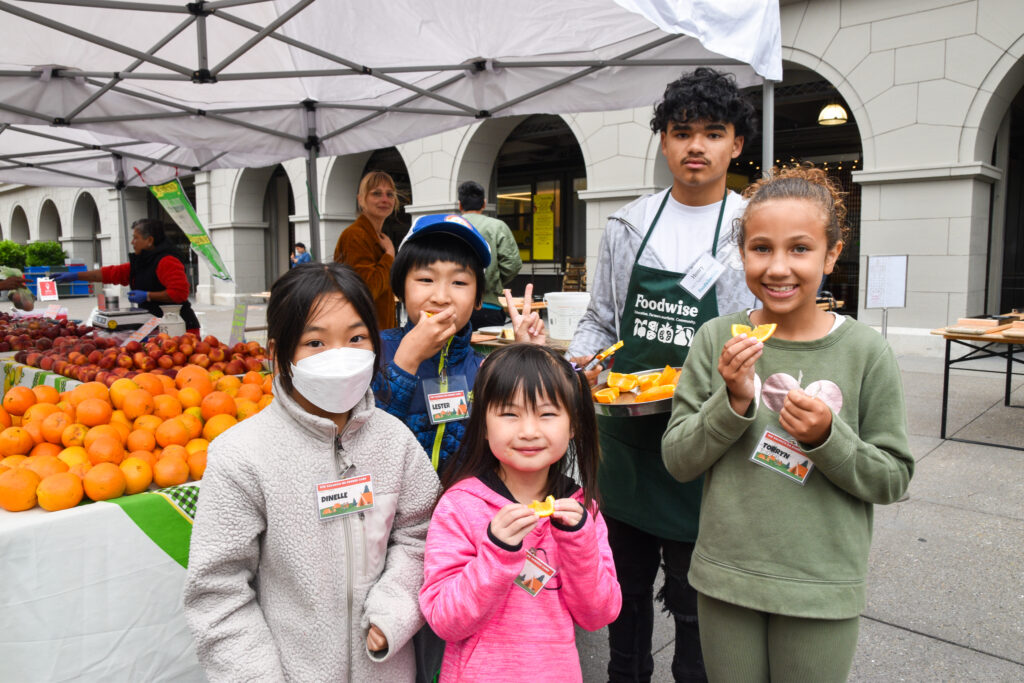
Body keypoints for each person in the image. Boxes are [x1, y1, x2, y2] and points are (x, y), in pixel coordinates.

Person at [661, 165, 914, 681]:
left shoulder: (866, 351)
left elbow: (892, 478)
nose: (778, 267)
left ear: (832, 254)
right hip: (726, 577)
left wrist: (827, 436)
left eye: (799, 248)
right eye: (761, 248)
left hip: (820, 584)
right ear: (743, 254)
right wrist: (731, 400)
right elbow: (679, 460)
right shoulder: (716, 338)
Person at [566, 67, 758, 682]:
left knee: (698, 607)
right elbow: (600, 320)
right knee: (622, 600)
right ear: (663, 141)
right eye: (681, 132)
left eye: (712, 132)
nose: (695, 145)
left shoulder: (753, 229)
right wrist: (580, 366)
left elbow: (774, 327)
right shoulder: (627, 225)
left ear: (736, 144)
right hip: (626, 441)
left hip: (708, 447)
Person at [183, 262, 439, 681]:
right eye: (315, 342)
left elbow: (422, 537)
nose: (339, 356)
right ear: (278, 352)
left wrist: (393, 612)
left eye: (356, 338)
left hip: (387, 668)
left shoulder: (395, 442)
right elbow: (219, 592)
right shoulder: (242, 455)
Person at [419, 343, 622, 682]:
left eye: (547, 414)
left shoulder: (582, 510)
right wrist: (496, 555)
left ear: (573, 424)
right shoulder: (461, 506)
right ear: (483, 424)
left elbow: (599, 614)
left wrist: (579, 542)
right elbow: (444, 620)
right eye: (510, 414)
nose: (529, 431)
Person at [375, 213, 545, 474]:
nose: (441, 297)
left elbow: (529, 433)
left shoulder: (486, 369)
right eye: (425, 280)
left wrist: (530, 360)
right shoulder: (373, 352)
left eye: (459, 282)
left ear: (478, 299)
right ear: (400, 290)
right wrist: (405, 362)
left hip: (462, 512)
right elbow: (362, 443)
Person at [52, 219, 199, 335]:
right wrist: (75, 275)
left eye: (136, 238)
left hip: (181, 327)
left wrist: (148, 296)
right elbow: (108, 274)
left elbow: (179, 293)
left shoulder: (167, 261)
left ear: (149, 240)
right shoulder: (141, 262)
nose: (132, 242)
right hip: (154, 325)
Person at [334, 170, 400, 328]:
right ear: (361, 200)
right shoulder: (356, 235)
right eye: (376, 193)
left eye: (390, 194)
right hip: (363, 334)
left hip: (378, 333)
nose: (385, 199)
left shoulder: (377, 237)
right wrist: (390, 256)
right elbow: (368, 290)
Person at [457, 180, 522, 330]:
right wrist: (493, 280)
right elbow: (513, 264)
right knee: (488, 352)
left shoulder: (451, 225)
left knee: (452, 351)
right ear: (484, 204)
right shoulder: (497, 226)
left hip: (454, 306)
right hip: (489, 305)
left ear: (460, 204)